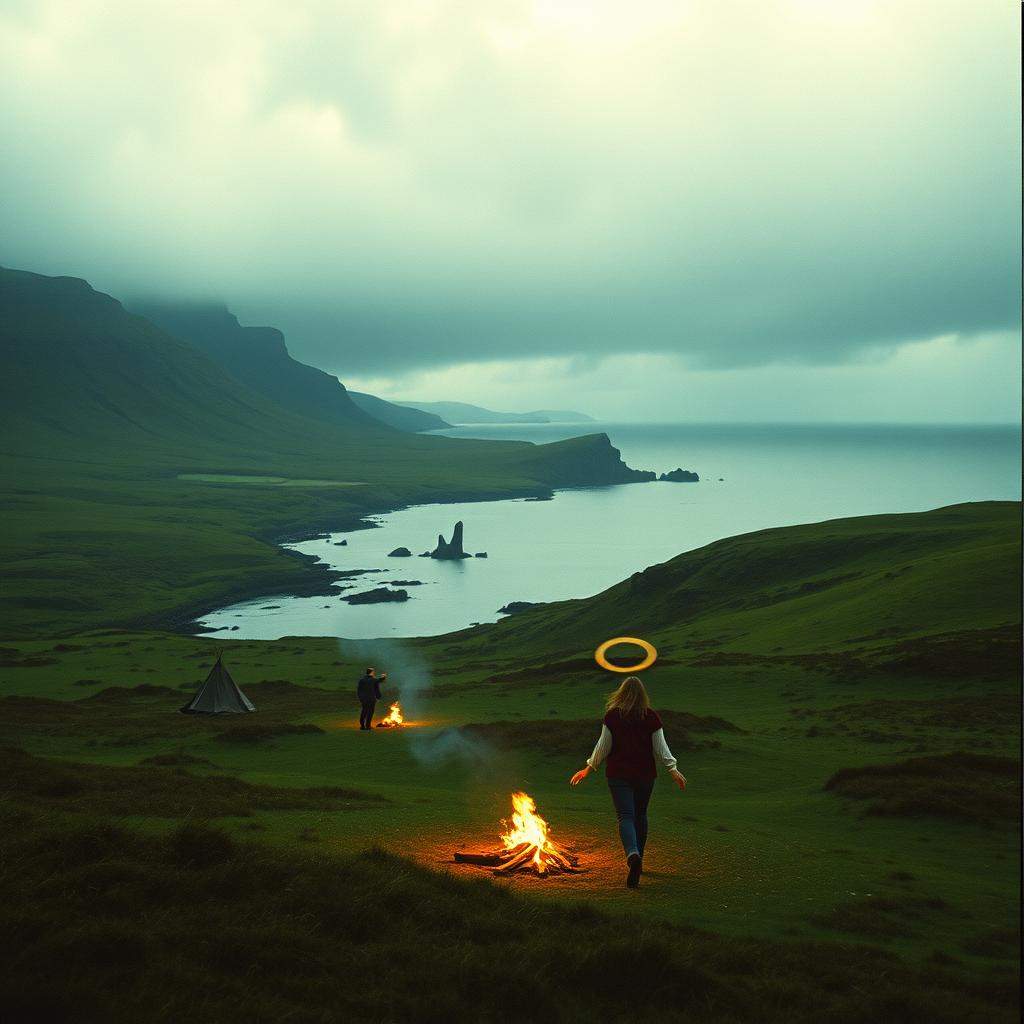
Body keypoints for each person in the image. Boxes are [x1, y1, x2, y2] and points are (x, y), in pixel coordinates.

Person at [569, 675, 686, 888]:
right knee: (640, 815)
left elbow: (603, 746)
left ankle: (632, 855)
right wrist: (673, 770)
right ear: (643, 695)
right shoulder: (651, 717)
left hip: (618, 775)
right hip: (644, 775)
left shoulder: (613, 717)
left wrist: (589, 768)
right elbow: (661, 748)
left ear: (621, 693)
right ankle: (638, 857)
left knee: (625, 816)